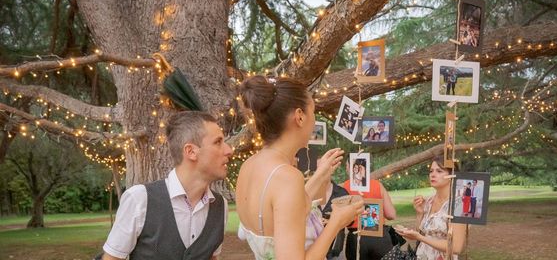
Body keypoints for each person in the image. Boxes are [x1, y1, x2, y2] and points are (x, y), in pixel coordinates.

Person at [235, 76, 364, 260]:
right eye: (313, 111)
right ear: (300, 117)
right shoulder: (287, 177)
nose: (314, 119)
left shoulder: (249, 166)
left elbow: (283, 210)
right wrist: (336, 222)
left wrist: (320, 175)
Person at [102, 111, 233, 260]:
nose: (229, 150)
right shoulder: (140, 200)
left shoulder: (220, 206)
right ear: (191, 151)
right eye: (218, 142)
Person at [396, 156, 466, 260]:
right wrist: (420, 213)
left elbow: (456, 247)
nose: (433, 175)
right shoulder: (429, 201)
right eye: (431, 171)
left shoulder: (459, 205)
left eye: (439, 171)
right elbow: (422, 233)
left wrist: (421, 238)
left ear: (451, 175)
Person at [342, 160, 397, 260]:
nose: (346, 168)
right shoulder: (377, 185)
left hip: (356, 240)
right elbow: (391, 214)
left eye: (346, 165)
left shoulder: (343, 188)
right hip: (379, 237)